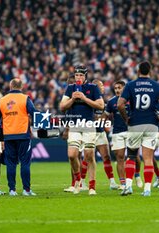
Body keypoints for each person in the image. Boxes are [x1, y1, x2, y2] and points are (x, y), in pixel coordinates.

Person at [117, 61, 159, 196]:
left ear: (138, 71)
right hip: (152, 125)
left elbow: (120, 105)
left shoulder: (130, 85)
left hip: (135, 124)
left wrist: (126, 118)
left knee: (131, 155)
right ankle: (147, 189)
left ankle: (128, 187)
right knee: (148, 158)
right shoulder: (156, 86)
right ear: (150, 71)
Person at [60, 65, 104, 195]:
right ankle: (78, 181)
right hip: (74, 125)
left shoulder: (93, 88)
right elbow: (62, 107)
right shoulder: (70, 88)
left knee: (89, 154)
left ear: (85, 76)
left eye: (81, 75)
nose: (78, 78)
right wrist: (73, 99)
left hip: (89, 125)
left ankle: (92, 187)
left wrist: (84, 98)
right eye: (76, 75)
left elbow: (101, 105)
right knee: (72, 155)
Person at [0, 78, 37, 196]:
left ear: (10, 86)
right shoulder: (25, 98)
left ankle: (12, 190)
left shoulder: (2, 100)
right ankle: (26, 190)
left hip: (8, 136)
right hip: (23, 135)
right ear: (21, 87)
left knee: (11, 163)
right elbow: (34, 113)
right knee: (25, 163)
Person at [80, 79, 118, 190]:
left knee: (106, 156)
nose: (103, 87)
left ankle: (112, 182)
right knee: (87, 157)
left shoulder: (102, 102)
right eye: (101, 85)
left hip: (100, 132)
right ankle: (82, 182)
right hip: (89, 132)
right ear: (95, 87)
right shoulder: (88, 101)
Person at [105, 80, 143, 190]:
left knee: (135, 156)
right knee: (119, 157)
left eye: (119, 88)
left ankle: (137, 175)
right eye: (115, 88)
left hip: (132, 131)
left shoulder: (132, 100)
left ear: (124, 88)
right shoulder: (111, 102)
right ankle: (123, 183)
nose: (117, 90)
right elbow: (106, 115)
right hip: (117, 132)